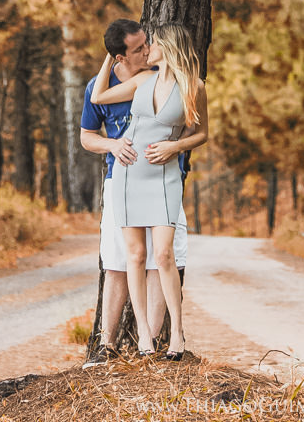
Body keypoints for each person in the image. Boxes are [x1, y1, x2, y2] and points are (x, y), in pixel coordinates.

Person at [90, 23, 208, 360]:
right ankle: (143, 334)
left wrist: (176, 147)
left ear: (168, 47)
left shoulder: (194, 86)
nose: (147, 49)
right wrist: (107, 59)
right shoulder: (142, 80)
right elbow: (98, 97)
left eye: (152, 44)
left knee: (164, 255)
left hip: (164, 176)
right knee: (136, 257)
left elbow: (202, 134)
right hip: (128, 176)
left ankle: (177, 336)